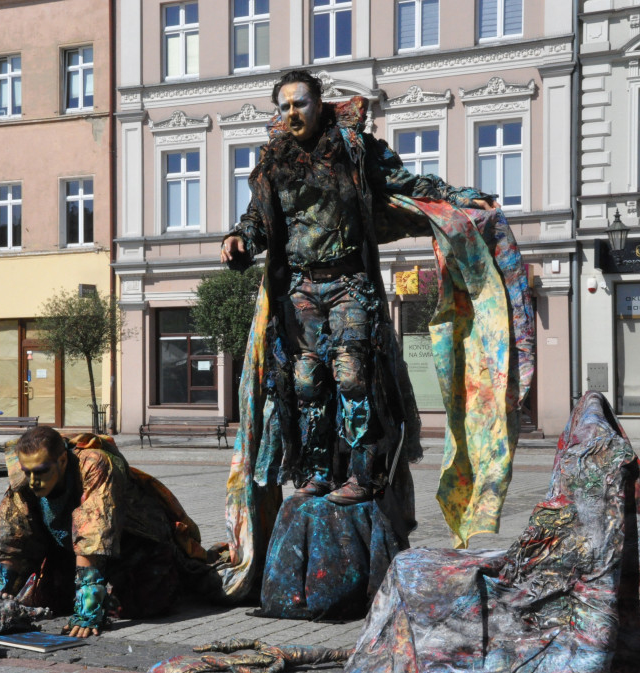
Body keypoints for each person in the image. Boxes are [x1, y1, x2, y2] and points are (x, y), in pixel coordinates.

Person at [215, 69, 533, 613]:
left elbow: (409, 184)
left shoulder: (356, 149)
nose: (293, 114)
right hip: (298, 288)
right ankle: (316, 473)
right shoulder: (272, 163)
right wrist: (241, 239)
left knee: (352, 375)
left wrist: (460, 199)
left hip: (349, 282)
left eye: (302, 103)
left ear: (320, 104)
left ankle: (362, 476)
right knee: (307, 381)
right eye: (285, 106)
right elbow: (260, 222)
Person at [0, 426, 220, 637]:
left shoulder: (95, 465)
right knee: (51, 599)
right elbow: (13, 536)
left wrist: (88, 610)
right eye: (28, 472)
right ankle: (102, 589)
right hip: (70, 550)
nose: (33, 481)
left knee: (146, 604)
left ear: (63, 460)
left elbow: (94, 532)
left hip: (135, 543)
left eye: (41, 471)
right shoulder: (26, 479)